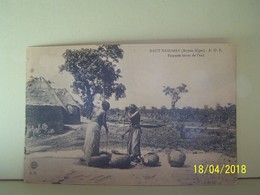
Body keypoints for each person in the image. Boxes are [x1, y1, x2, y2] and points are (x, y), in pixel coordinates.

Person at [81, 101, 110, 165]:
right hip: (96, 126)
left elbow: (90, 117)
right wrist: (106, 129)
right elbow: (104, 122)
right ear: (105, 107)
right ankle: (92, 158)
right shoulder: (104, 112)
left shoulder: (95, 109)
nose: (108, 109)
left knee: (89, 140)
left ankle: (87, 156)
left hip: (90, 125)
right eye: (108, 107)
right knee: (94, 141)